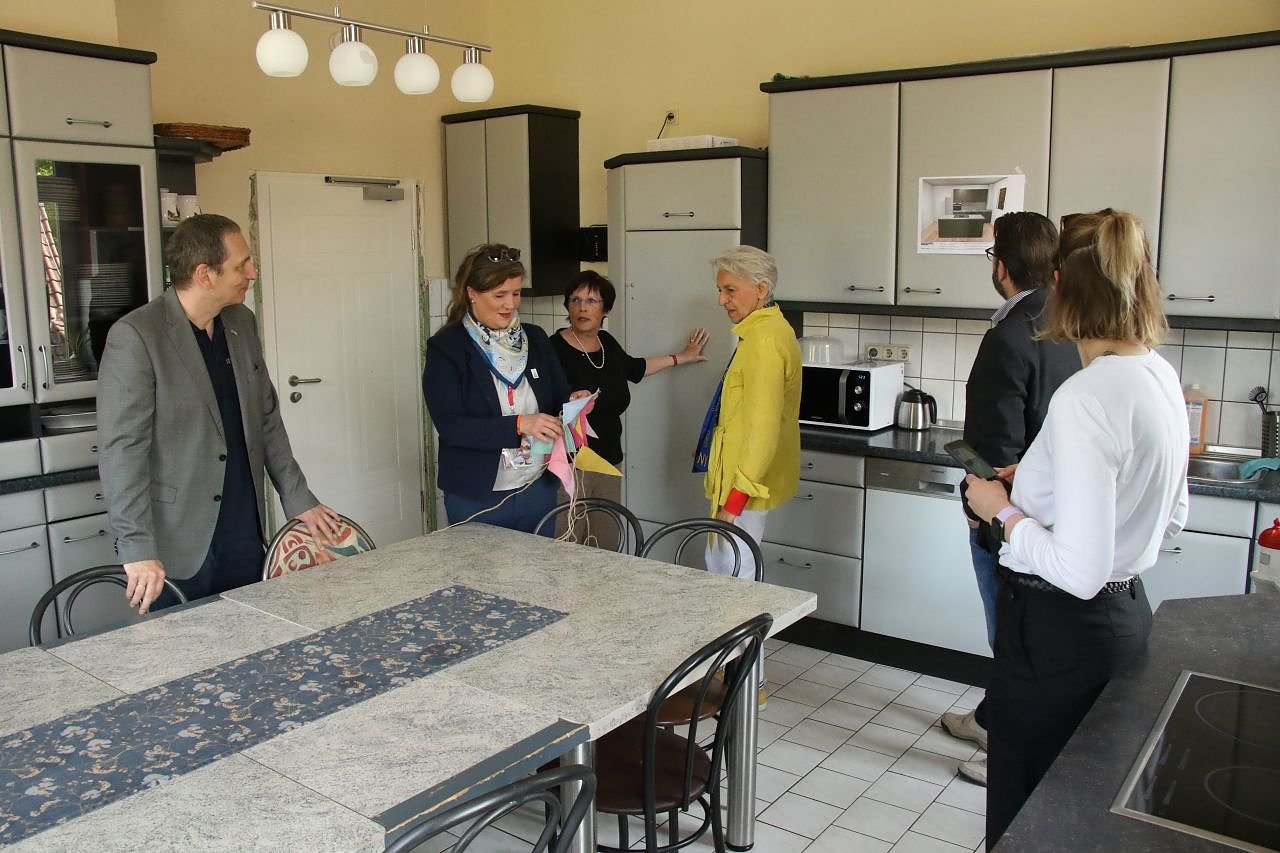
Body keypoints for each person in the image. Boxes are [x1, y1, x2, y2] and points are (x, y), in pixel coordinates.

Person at [964, 209, 1189, 849]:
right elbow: (1173, 515)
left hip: (1057, 638)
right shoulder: (1156, 374)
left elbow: (1079, 571)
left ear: (1060, 283)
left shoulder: (1088, 397)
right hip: (1122, 625)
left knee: (1029, 822)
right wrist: (1039, 480)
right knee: (1083, 818)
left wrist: (1001, 510)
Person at [98, 214, 341, 615]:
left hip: (243, 526)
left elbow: (266, 417)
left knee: (254, 633)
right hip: (178, 538)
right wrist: (136, 546)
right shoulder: (137, 336)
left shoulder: (241, 322)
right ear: (204, 274)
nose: (253, 273)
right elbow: (122, 451)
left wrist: (297, 496)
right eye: (242, 264)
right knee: (184, 647)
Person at [942, 212, 1080, 786]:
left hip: (1010, 516)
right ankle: (988, 718)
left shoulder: (1010, 333)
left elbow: (995, 447)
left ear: (1001, 266)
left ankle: (1006, 748)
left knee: (1011, 637)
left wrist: (983, 514)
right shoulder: (1072, 323)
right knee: (1030, 635)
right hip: (1056, 510)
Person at [423, 243, 585, 534]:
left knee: (539, 563)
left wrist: (574, 401)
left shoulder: (534, 338)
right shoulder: (447, 347)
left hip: (537, 486)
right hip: (476, 494)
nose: (510, 304)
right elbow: (451, 427)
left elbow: (558, 397)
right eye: (499, 295)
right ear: (472, 293)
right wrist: (520, 424)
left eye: (516, 293)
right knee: (478, 565)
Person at [549, 270, 709, 546]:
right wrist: (569, 402)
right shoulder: (551, 349)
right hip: (569, 466)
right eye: (575, 300)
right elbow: (541, 401)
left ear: (606, 309)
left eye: (591, 301)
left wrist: (681, 357)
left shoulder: (606, 343)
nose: (582, 307)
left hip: (609, 462)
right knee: (566, 546)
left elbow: (635, 368)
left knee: (605, 545)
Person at [697, 246, 801, 580]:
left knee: (733, 572)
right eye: (720, 290)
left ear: (761, 289)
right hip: (739, 477)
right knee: (727, 566)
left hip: (744, 483)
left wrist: (735, 499)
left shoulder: (763, 341)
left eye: (730, 290)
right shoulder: (764, 330)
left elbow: (763, 429)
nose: (722, 300)